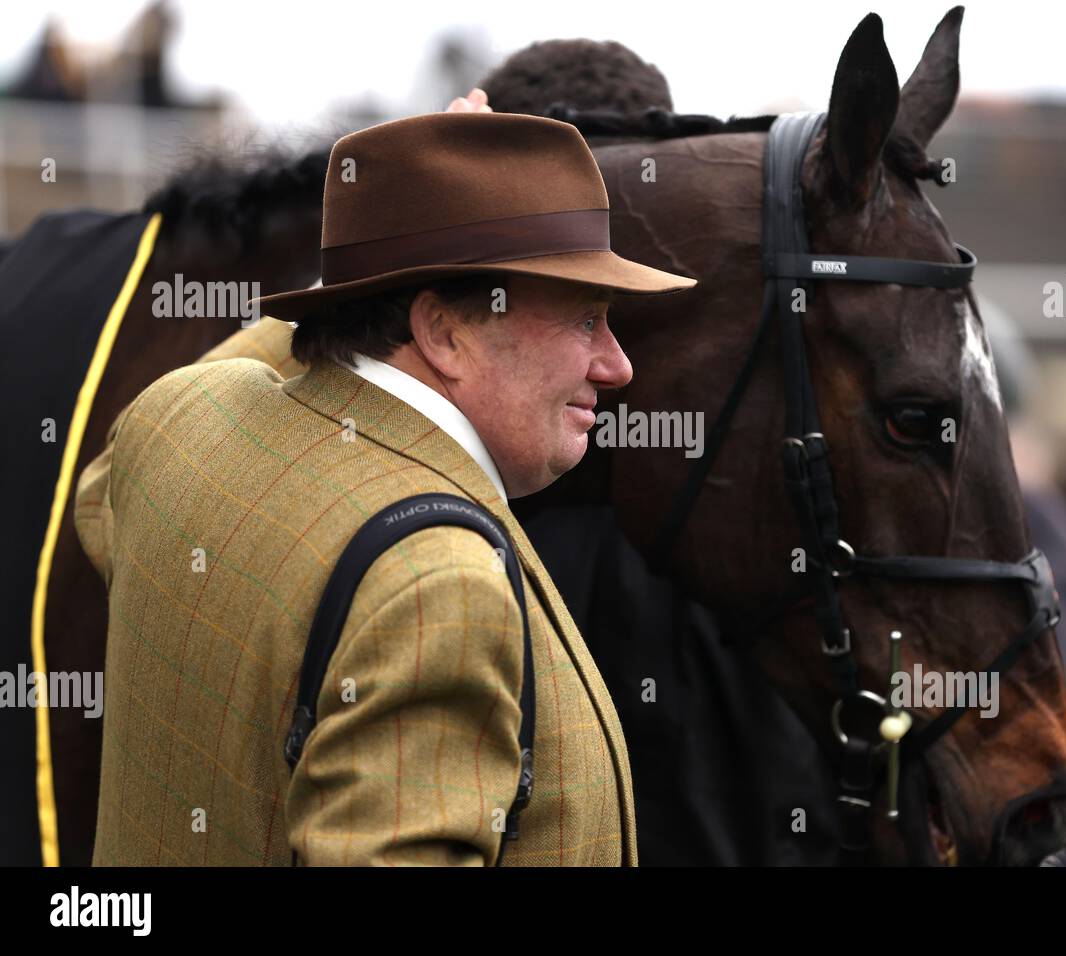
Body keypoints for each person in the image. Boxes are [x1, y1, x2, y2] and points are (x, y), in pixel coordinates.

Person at [73, 91, 696, 866]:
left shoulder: (180, 419)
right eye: (585, 318)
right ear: (443, 331)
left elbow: (100, 489)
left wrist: (359, 278)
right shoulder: (440, 589)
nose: (617, 364)